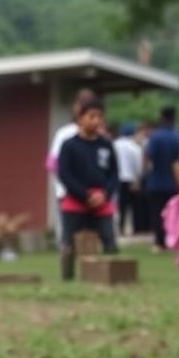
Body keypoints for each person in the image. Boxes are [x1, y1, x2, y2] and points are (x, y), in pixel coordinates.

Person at [57, 99, 119, 280]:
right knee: (69, 244)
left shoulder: (106, 145)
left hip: (102, 202)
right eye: (91, 116)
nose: (96, 121)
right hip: (76, 202)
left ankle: (110, 277)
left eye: (100, 117)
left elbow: (114, 174)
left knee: (109, 241)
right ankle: (67, 278)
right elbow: (65, 174)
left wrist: (105, 194)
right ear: (80, 119)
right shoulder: (69, 145)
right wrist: (85, 195)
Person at [46, 87, 97, 244]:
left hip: (88, 194)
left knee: (79, 237)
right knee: (76, 237)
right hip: (73, 192)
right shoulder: (66, 133)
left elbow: (51, 164)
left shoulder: (97, 137)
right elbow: (52, 164)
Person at [145, 106, 179, 251]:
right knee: (172, 214)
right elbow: (177, 162)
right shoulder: (176, 136)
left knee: (156, 213)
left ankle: (158, 242)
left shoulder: (155, 137)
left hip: (155, 182)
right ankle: (170, 239)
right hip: (171, 183)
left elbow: (149, 159)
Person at [112, 122, 144, 236]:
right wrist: (138, 178)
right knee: (131, 206)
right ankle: (132, 228)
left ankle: (119, 227)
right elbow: (138, 166)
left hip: (116, 178)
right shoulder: (134, 147)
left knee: (119, 204)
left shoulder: (114, 144)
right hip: (130, 178)